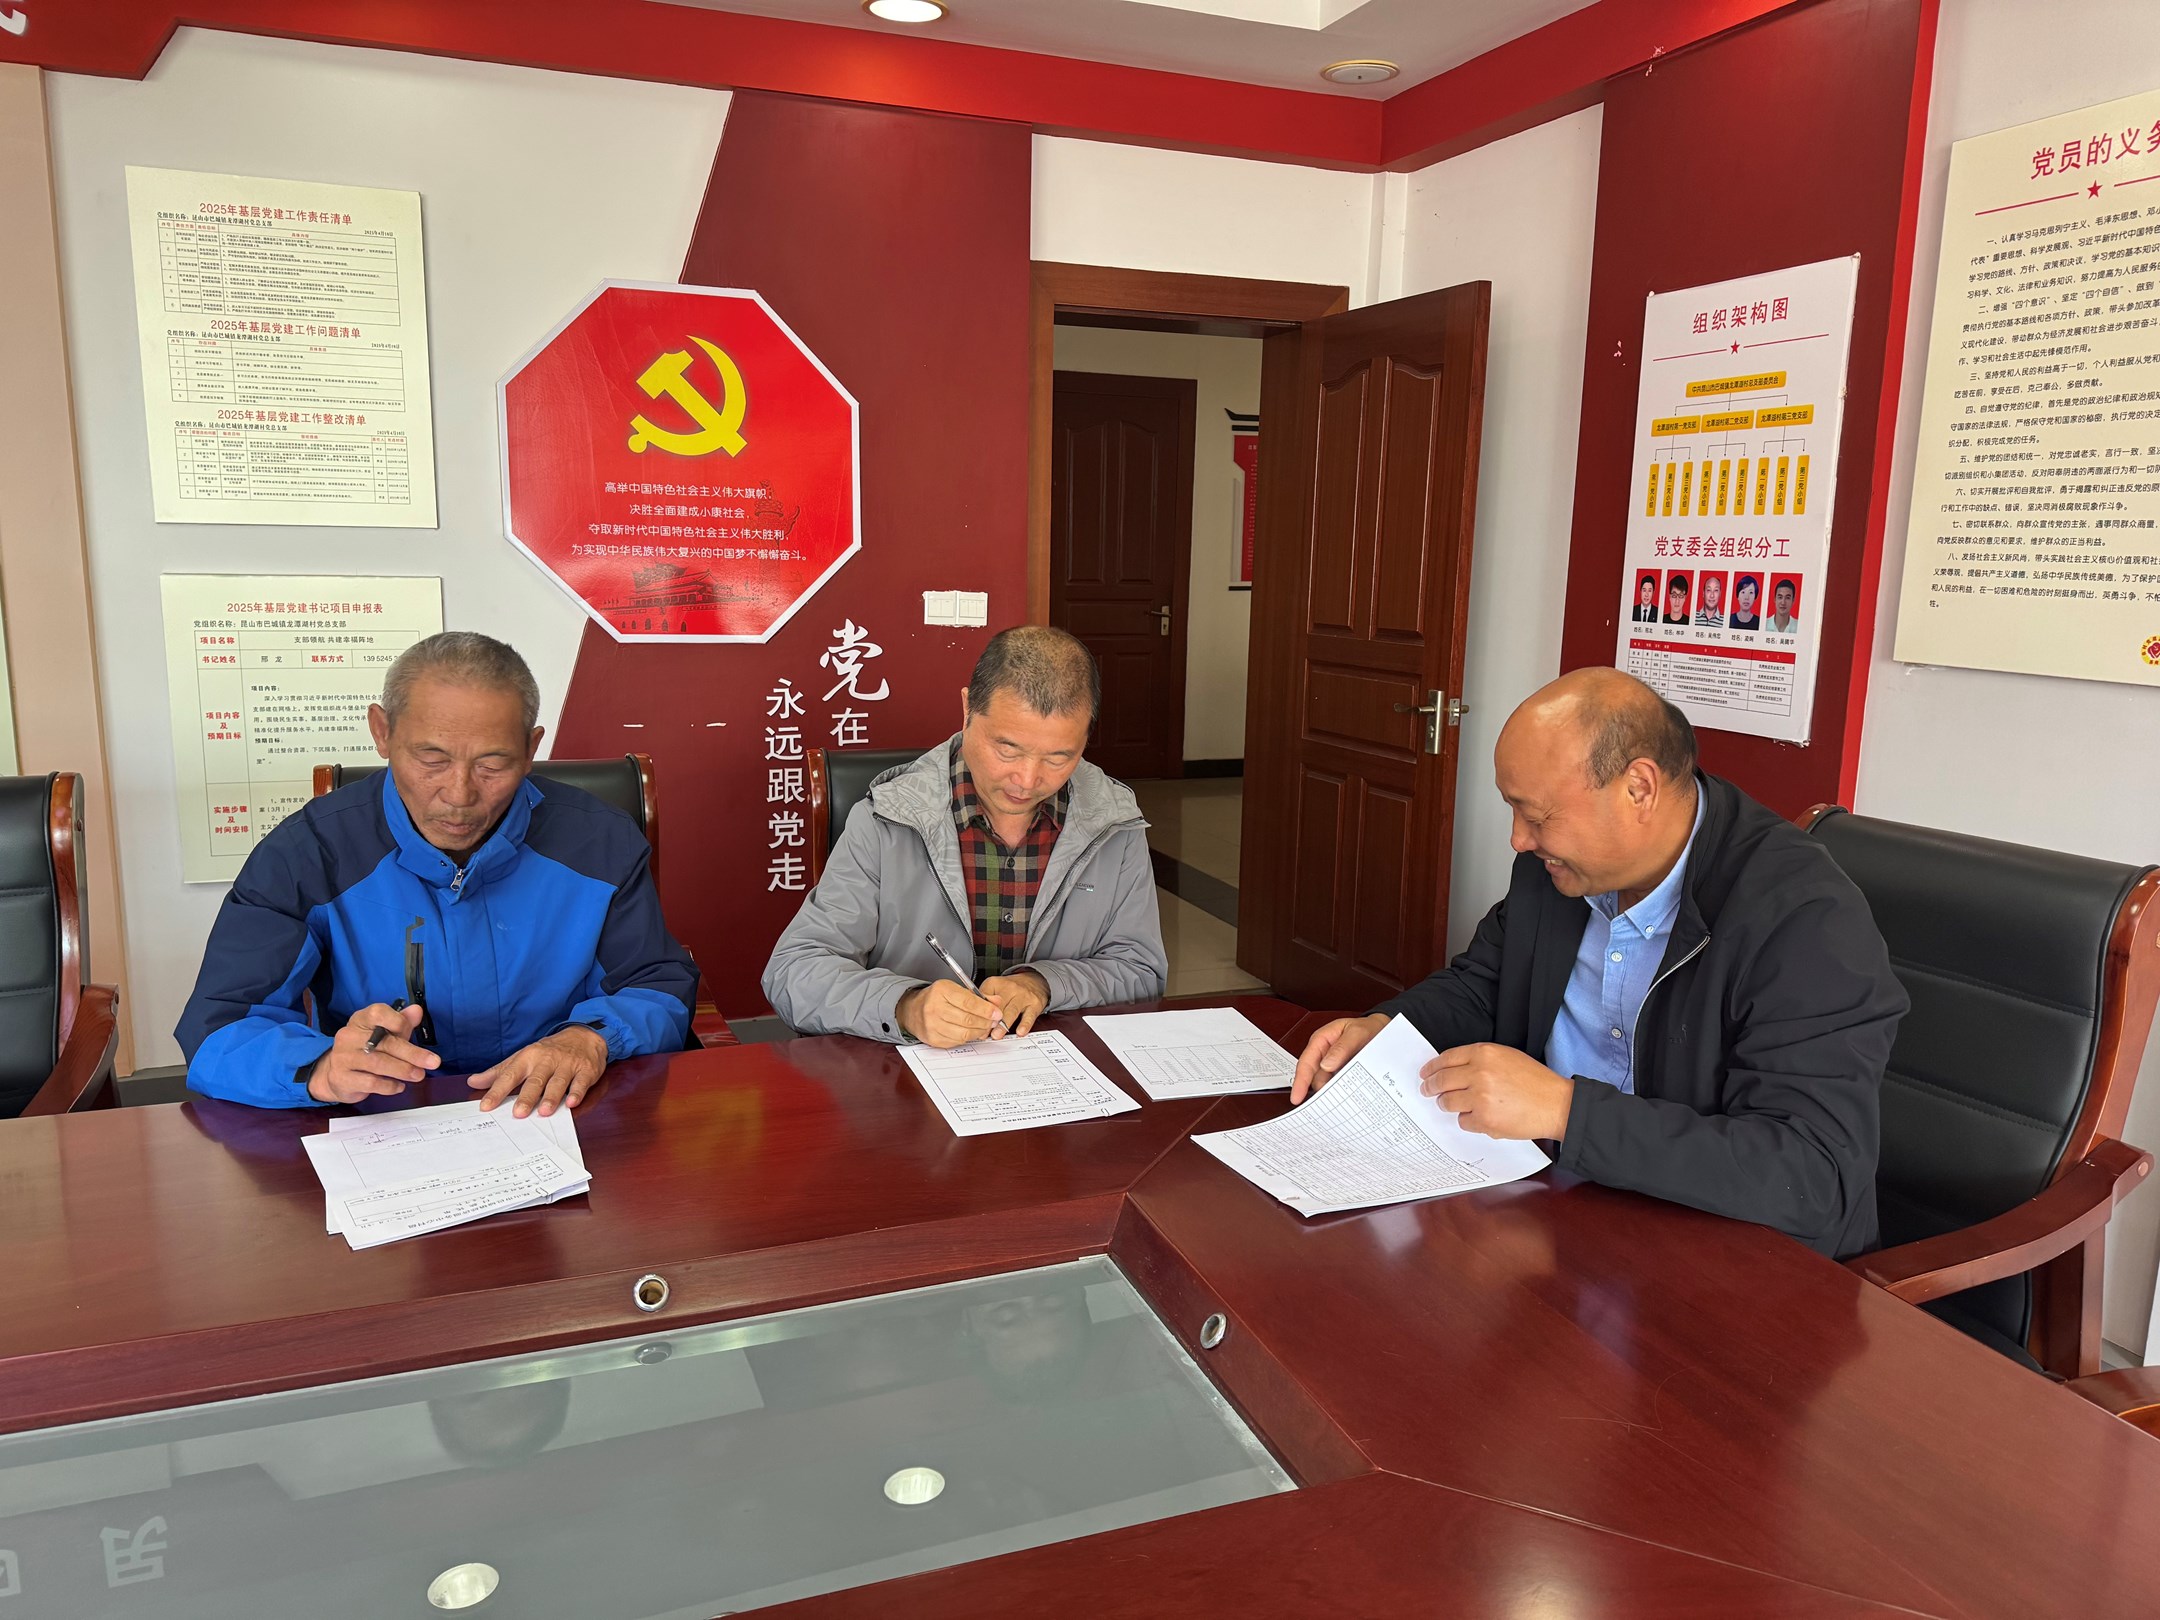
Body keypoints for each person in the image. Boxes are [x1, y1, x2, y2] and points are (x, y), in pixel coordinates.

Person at [1290, 668, 1906, 1258]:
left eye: (1537, 816)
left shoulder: (1803, 919)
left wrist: (1564, 1110)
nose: (1518, 840)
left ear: (1639, 789)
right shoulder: (1559, 870)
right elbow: (1485, 985)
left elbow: (1811, 1175)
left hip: (1724, 1256)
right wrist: (1387, 1028)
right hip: (1557, 1207)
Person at [177, 632, 697, 1115]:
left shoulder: (600, 842)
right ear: (382, 732)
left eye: (493, 765)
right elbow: (221, 1027)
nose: (459, 794)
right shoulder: (307, 853)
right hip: (383, 1113)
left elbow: (655, 986)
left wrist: (591, 1038)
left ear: (531, 749)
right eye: (431, 759)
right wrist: (320, 1068)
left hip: (549, 1106)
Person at [763, 625, 1166, 1047]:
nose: (1027, 780)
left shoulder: (1114, 822)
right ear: (967, 708)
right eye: (1008, 749)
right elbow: (794, 972)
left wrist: (1045, 984)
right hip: (907, 1071)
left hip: (1057, 1066)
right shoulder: (887, 819)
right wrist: (905, 1006)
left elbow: (1141, 971)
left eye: (1058, 758)